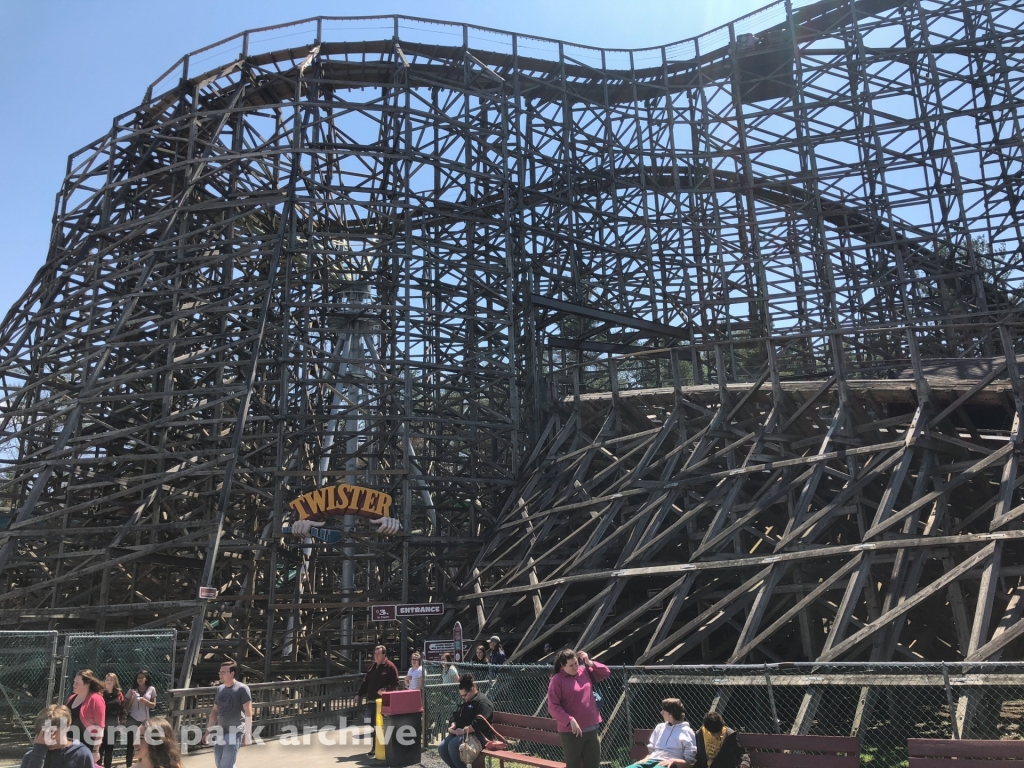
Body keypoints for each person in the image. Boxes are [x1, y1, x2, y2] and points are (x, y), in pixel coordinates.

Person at [546, 649, 610, 768]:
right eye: (571, 665)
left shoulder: (584, 671)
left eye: (576, 663)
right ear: (562, 666)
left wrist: (589, 662)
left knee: (593, 764)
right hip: (571, 733)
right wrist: (569, 719)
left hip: (592, 728)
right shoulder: (557, 680)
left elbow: (605, 672)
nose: (575, 667)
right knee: (574, 765)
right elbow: (553, 706)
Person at [438, 674, 497, 768]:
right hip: (464, 734)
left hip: (479, 736)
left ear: (472, 689)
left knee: (453, 745)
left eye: (465, 695)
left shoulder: (483, 702)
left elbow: (480, 722)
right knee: (442, 747)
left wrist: (463, 731)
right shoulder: (466, 701)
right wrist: (453, 723)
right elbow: (455, 715)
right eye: (461, 696)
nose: (463, 698)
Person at [202, 661, 252, 768]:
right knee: (220, 763)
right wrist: (208, 731)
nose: (221, 675)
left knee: (226, 765)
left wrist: (247, 734)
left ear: (232, 673)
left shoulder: (242, 689)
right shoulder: (220, 689)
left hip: (235, 730)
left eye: (224, 672)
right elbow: (215, 711)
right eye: (220, 672)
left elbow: (248, 712)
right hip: (221, 731)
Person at [623, 699, 696, 768]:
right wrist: (646, 759)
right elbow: (652, 750)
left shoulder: (687, 731)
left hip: (669, 763)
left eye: (663, 710)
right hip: (651, 760)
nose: (661, 713)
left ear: (671, 713)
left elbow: (688, 762)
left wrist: (674, 761)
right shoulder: (660, 727)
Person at [357, 645, 399, 756]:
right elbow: (365, 683)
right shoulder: (372, 666)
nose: (375, 656)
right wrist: (358, 694)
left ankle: (377, 748)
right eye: (375, 653)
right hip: (371, 700)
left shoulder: (390, 666)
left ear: (384, 655)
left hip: (382, 702)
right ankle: (379, 746)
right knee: (370, 721)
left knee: (378, 724)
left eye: (378, 654)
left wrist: (385, 689)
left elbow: (395, 683)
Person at [20, 704, 94, 768]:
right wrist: (39, 752)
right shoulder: (32, 756)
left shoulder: (81, 754)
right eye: (43, 732)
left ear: (67, 726)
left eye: (52, 731)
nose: (47, 737)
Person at [65, 669, 105, 763]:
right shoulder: (72, 698)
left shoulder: (96, 699)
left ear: (86, 684)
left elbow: (100, 727)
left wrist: (95, 750)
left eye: (77, 683)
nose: (74, 685)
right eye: (74, 682)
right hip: (70, 745)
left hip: (87, 745)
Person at [124, 670, 157, 767]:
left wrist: (145, 701)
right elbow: (126, 707)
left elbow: (153, 705)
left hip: (144, 720)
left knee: (145, 744)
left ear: (146, 679)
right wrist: (132, 697)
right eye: (138, 678)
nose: (140, 679)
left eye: (142, 677)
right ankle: (129, 765)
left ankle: (144, 764)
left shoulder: (151, 689)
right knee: (131, 744)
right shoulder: (132, 690)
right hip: (132, 719)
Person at [99, 672, 125, 768]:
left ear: (114, 682)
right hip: (101, 725)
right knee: (100, 749)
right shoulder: (100, 693)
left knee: (109, 750)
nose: (108, 682)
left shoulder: (119, 694)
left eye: (111, 680)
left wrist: (122, 723)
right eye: (107, 680)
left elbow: (122, 709)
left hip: (113, 726)